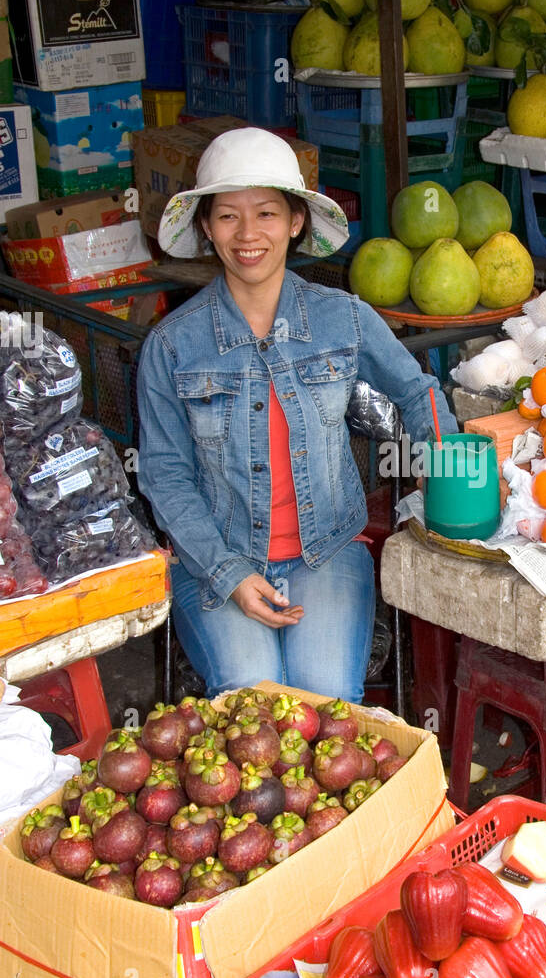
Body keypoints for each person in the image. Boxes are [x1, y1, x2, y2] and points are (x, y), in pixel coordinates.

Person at [136, 127, 457, 701]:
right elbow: (164, 475)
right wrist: (228, 575)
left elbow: (418, 391)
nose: (248, 234)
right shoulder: (172, 346)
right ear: (206, 227)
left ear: (295, 222)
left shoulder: (343, 319)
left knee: (327, 703)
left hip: (326, 553)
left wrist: (450, 474)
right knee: (254, 702)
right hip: (215, 563)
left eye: (266, 213)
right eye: (228, 217)